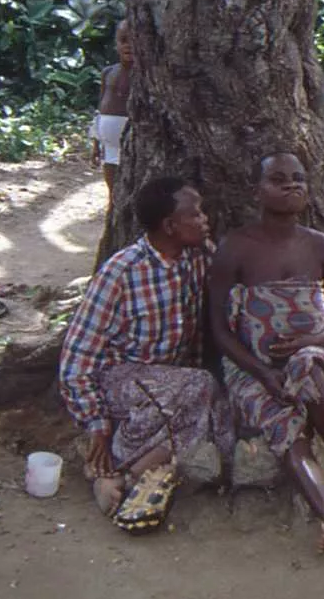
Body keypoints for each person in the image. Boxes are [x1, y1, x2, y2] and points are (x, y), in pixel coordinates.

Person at [210, 153, 324, 557]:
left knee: (308, 367)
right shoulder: (234, 248)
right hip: (250, 367)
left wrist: (315, 340)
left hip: (311, 355)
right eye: (279, 179)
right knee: (281, 422)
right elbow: (218, 331)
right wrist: (262, 373)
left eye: (299, 179)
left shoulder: (321, 246)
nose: (292, 186)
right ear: (258, 191)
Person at [58, 176, 235, 520]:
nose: (205, 220)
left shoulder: (197, 257)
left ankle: (127, 474)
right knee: (201, 385)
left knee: (222, 421)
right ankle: (105, 464)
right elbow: (75, 360)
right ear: (170, 226)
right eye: (196, 214)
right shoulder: (122, 272)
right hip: (118, 380)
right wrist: (95, 421)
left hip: (168, 386)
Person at [94, 19, 134, 201]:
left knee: (131, 187)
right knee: (113, 191)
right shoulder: (109, 72)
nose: (128, 45)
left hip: (132, 144)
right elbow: (100, 109)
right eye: (123, 40)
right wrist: (96, 142)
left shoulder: (144, 75)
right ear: (116, 44)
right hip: (109, 146)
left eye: (134, 40)